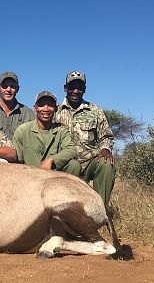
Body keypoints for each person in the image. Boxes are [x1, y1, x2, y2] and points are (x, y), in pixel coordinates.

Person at [54, 70, 115, 204]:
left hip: (89, 162)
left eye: (79, 87)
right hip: (66, 164)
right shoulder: (55, 111)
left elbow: (107, 136)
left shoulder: (95, 110)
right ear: (65, 88)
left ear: (84, 89)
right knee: (72, 166)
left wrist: (105, 149)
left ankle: (100, 209)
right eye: (72, 87)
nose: (75, 91)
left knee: (106, 163)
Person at [13, 91, 80, 175]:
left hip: (53, 179)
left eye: (50, 105)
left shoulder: (61, 132)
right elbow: (16, 158)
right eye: (41, 105)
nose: (45, 109)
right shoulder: (23, 130)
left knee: (74, 165)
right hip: (28, 178)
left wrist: (52, 160)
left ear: (56, 108)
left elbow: (71, 150)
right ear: (35, 108)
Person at [0, 71, 35, 140]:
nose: (8, 90)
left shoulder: (28, 113)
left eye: (12, 86)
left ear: (17, 89)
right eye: (5, 86)